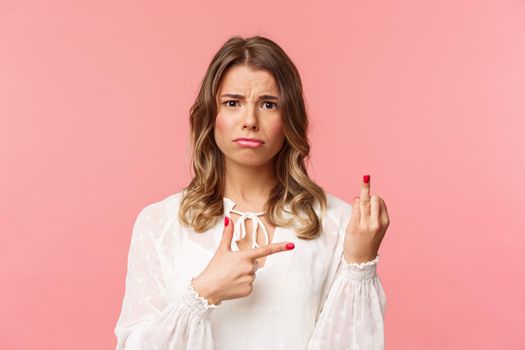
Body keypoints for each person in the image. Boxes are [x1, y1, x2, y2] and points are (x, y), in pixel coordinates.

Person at [114, 35, 390, 350]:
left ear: (289, 118)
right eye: (232, 103)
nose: (250, 121)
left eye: (269, 105)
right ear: (210, 115)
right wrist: (202, 293)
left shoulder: (337, 222)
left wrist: (360, 262)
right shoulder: (160, 223)